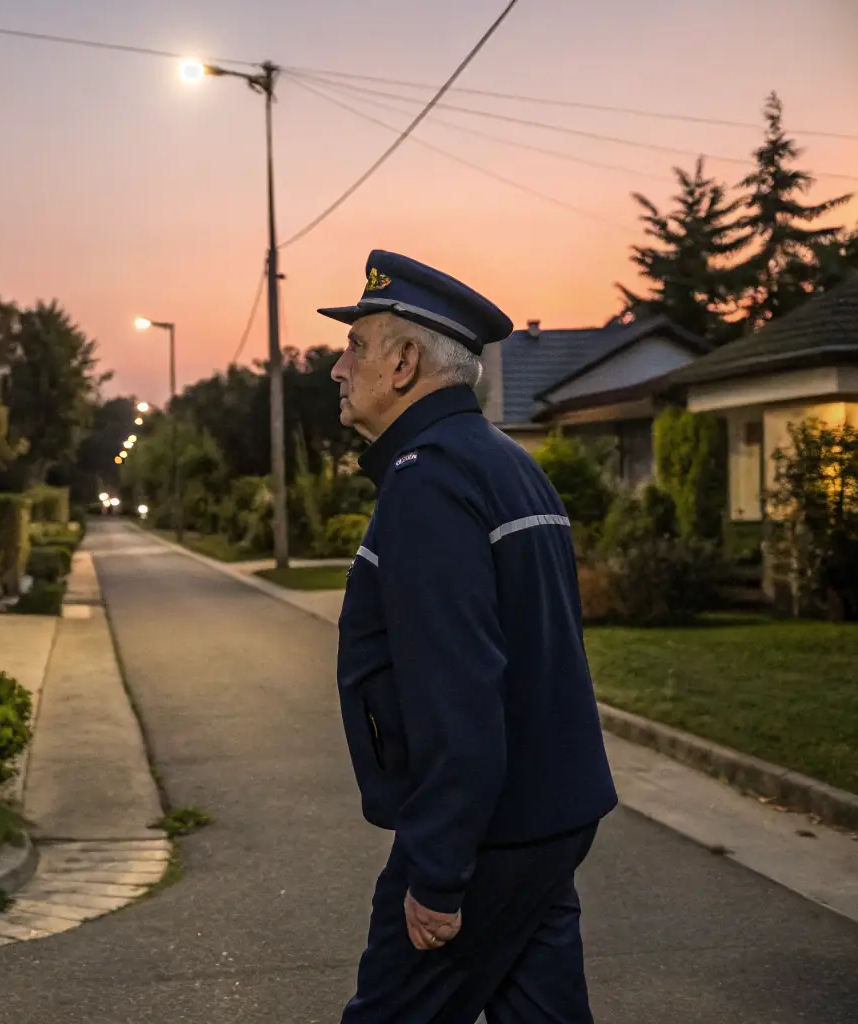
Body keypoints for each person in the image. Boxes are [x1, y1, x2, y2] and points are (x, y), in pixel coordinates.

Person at [319, 250, 618, 1023]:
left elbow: (457, 690)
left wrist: (438, 870)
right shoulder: (505, 464)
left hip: (485, 835)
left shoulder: (427, 484)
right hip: (547, 816)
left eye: (356, 345)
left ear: (405, 362)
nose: (335, 367)